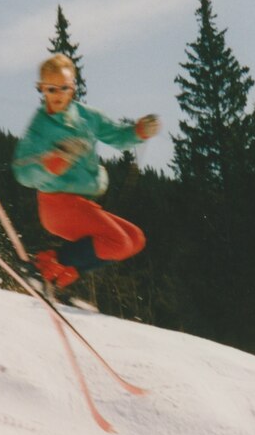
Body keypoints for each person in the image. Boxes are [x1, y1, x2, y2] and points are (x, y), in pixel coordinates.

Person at [12, 53, 160, 291]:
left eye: (64, 88)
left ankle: (63, 274)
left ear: (73, 87)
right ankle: (45, 266)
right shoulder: (39, 128)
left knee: (134, 239)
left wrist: (139, 131)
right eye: (51, 89)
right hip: (57, 205)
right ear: (41, 89)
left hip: (83, 203)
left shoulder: (87, 117)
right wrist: (49, 166)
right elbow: (22, 171)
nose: (58, 95)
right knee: (118, 243)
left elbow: (118, 136)